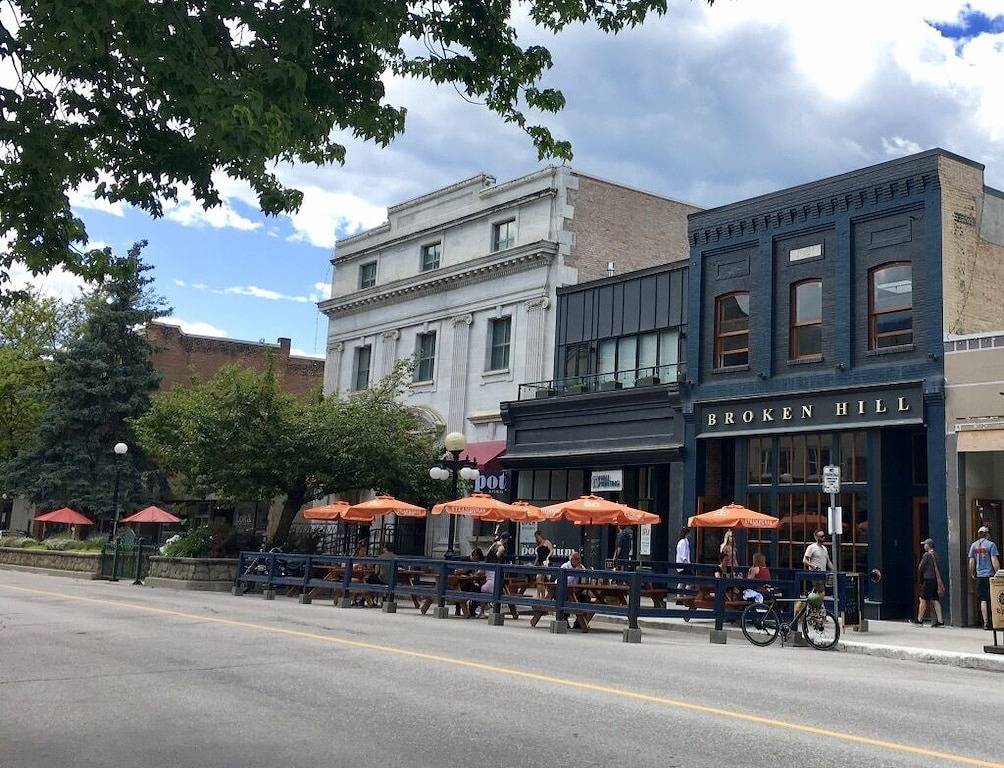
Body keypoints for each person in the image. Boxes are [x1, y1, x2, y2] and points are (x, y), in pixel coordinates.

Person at [969, 526, 1001, 630]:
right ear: (987, 534)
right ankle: (994, 622)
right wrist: (998, 573)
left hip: (980, 576)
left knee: (983, 600)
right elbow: (994, 560)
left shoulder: (974, 546)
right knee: (992, 599)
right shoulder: (991, 545)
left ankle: (985, 622)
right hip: (990, 575)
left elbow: (971, 562)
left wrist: (972, 574)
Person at [912, 538, 944, 627]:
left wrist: (924, 570)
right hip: (935, 580)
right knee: (935, 600)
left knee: (922, 599)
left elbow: (920, 567)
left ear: (928, 545)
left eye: (925, 544)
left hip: (928, 579)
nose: (924, 546)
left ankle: (919, 620)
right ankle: (940, 621)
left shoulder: (926, 555)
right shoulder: (936, 555)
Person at [533, 530, 553, 598]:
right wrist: (534, 564)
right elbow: (537, 556)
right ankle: (541, 595)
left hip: (546, 563)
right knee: (540, 580)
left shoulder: (546, 542)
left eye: (537, 537)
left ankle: (540, 596)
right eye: (536, 537)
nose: (537, 538)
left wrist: (548, 557)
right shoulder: (538, 545)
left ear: (540, 535)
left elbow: (551, 550)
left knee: (539, 578)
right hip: (540, 563)